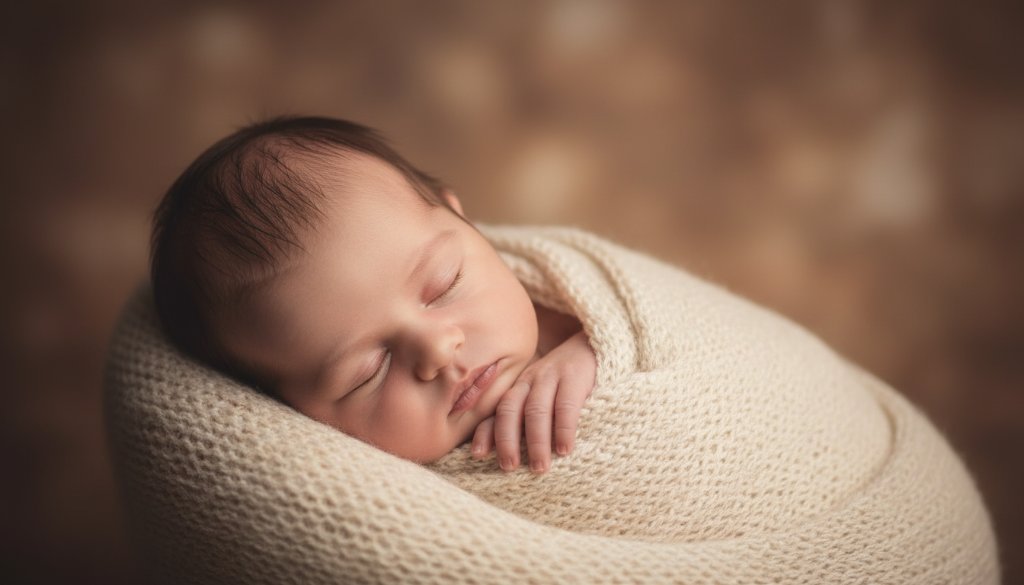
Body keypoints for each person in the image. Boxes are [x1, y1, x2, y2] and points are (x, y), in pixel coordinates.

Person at [150, 115, 597, 474]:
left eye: (445, 284)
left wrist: (595, 349)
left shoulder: (576, 302)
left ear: (465, 222)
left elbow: (660, 318)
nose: (438, 349)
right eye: (368, 372)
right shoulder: (379, 500)